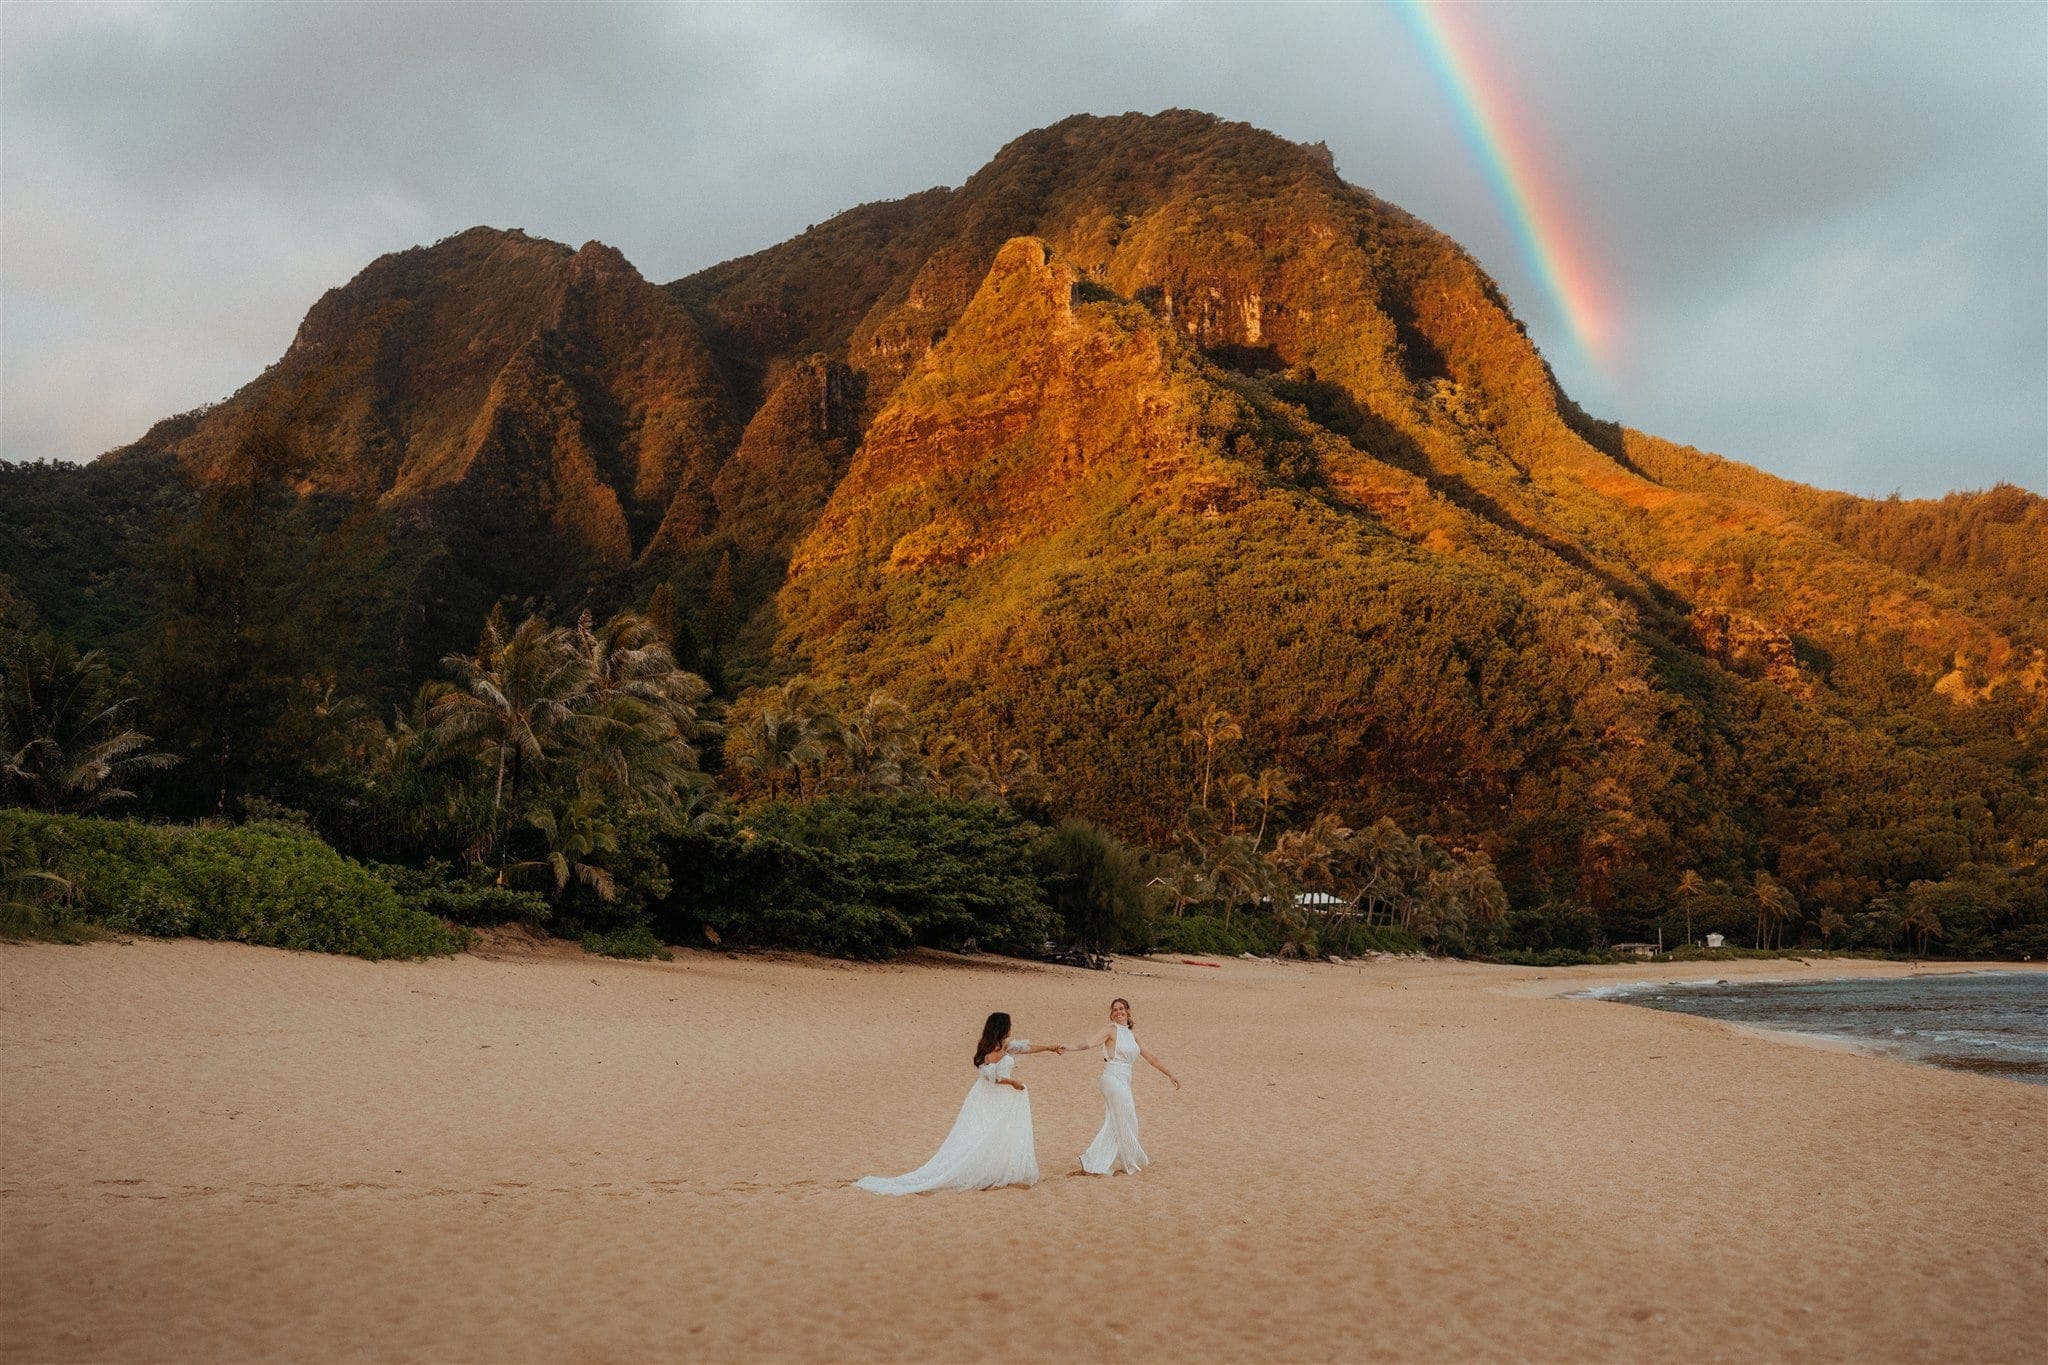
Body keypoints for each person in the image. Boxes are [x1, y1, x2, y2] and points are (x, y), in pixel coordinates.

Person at [855, 1012, 1060, 1194]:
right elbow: (991, 1076)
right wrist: (1013, 1082)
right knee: (983, 1132)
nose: (1013, 1027)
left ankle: (991, 1169)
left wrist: (1050, 1048)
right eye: (1010, 1024)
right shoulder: (996, 1048)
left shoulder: (1003, 1045)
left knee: (994, 1132)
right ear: (1002, 1027)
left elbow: (1026, 1048)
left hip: (998, 1096)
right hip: (992, 1095)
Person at [1066, 997, 1178, 1176]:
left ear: (1128, 1011)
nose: (1118, 1012)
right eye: (1115, 1009)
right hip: (1112, 1077)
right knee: (1127, 1119)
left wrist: (1170, 1074)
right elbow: (1089, 1043)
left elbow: (1151, 1057)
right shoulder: (1110, 1030)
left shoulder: (1132, 1034)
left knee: (1117, 1121)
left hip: (1124, 1079)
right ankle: (1115, 1162)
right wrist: (1067, 1047)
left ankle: (1092, 1161)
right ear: (1112, 1013)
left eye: (1121, 1009)